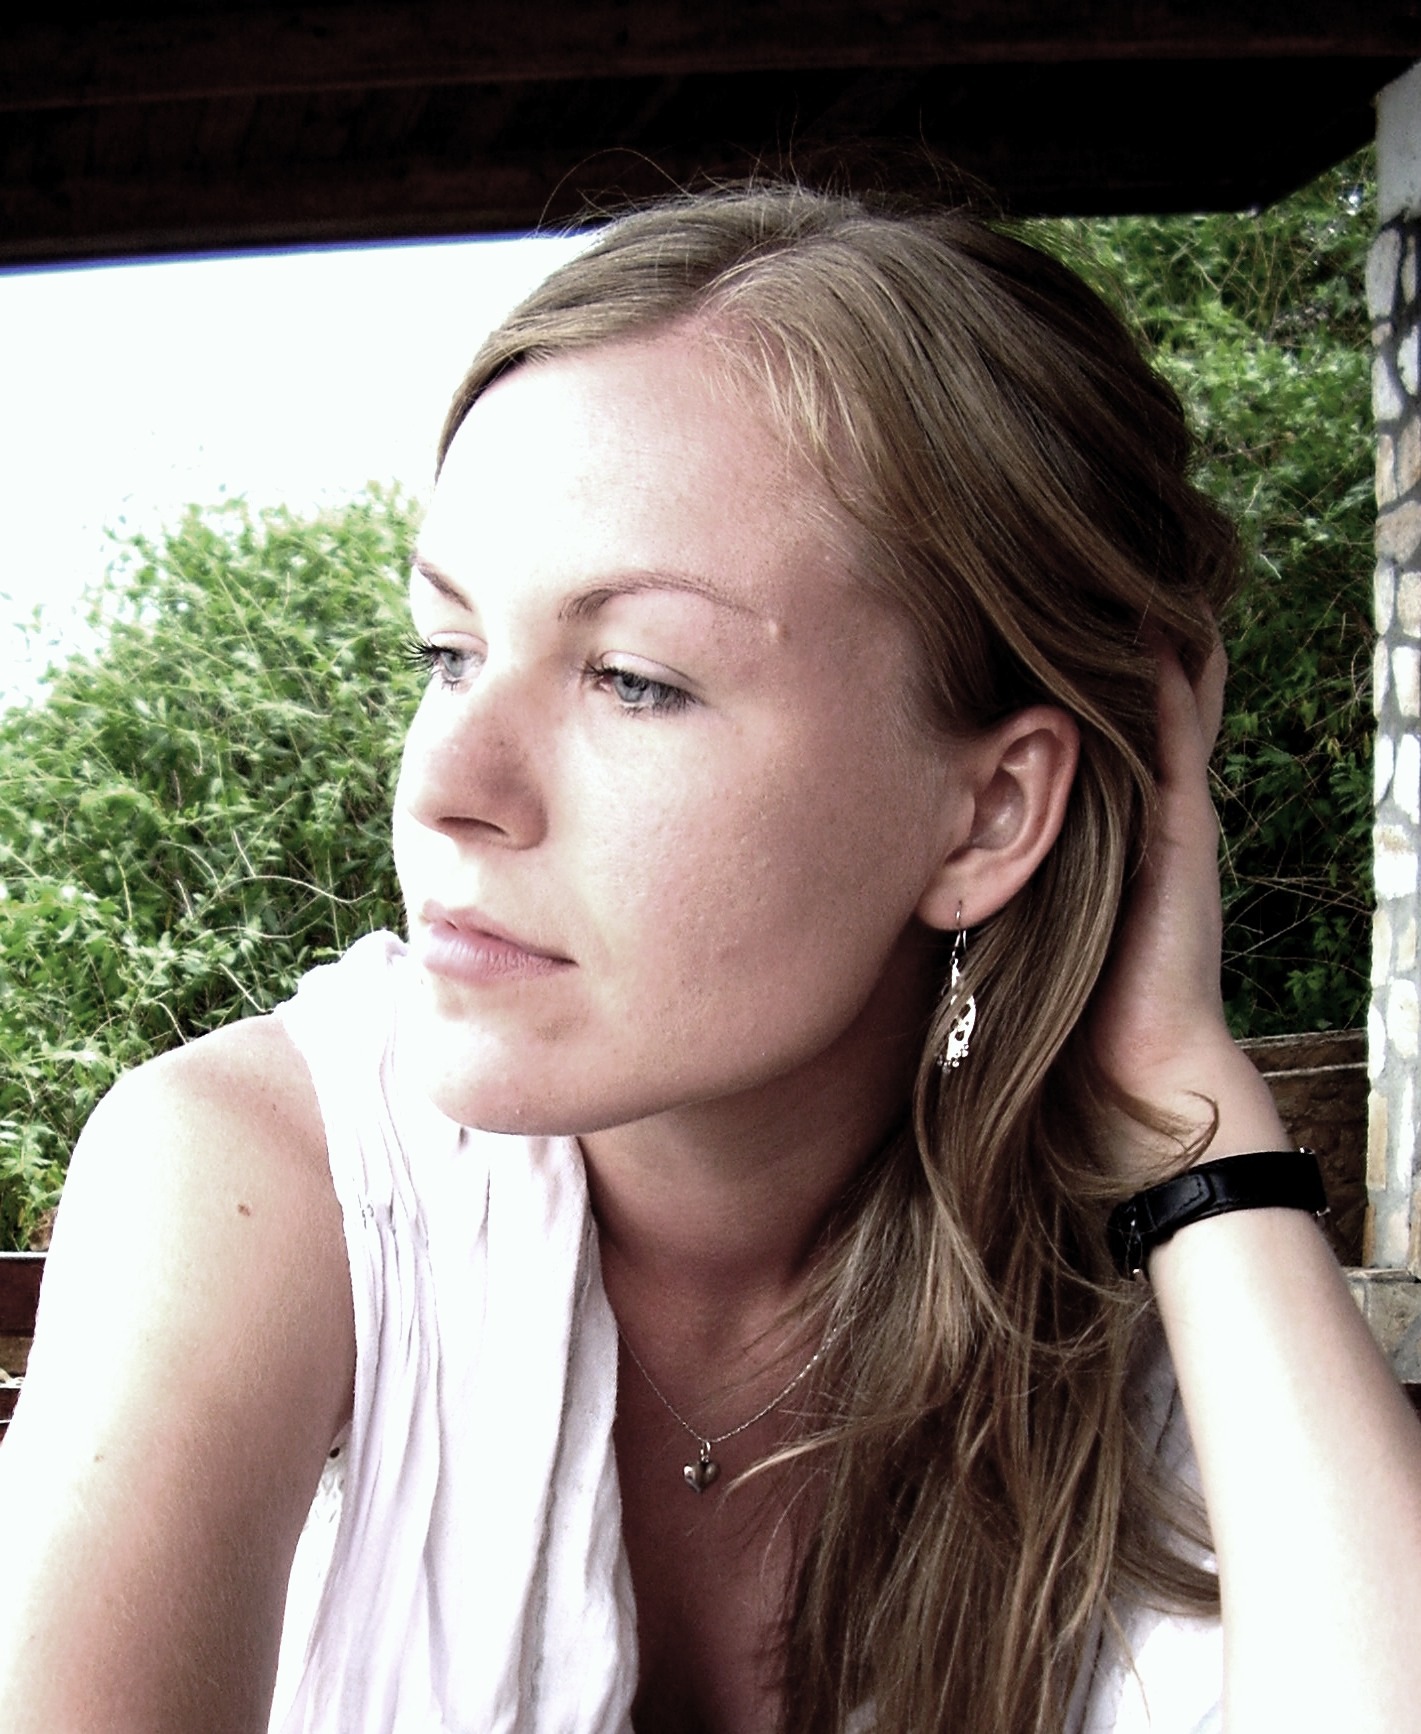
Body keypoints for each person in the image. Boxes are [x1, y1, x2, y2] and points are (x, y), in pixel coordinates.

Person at [1, 182, 1419, 1734]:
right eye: (447, 651)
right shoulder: (268, 1177)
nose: (443, 784)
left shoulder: (1136, 1284)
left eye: (632, 678)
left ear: (988, 812)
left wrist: (1182, 1101)